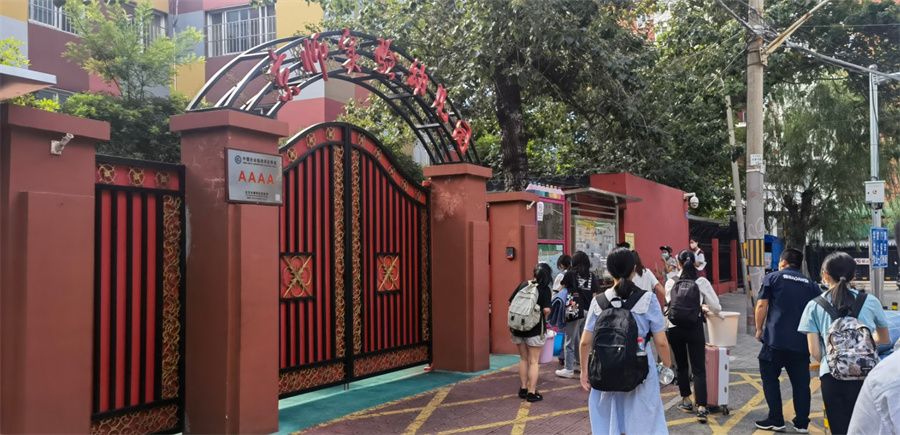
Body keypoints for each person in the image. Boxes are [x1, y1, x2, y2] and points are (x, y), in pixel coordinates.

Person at [579, 247, 674, 434]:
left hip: (606, 370)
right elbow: (661, 342)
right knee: (644, 423)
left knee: (609, 422)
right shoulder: (647, 299)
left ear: (609, 271)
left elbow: (584, 342)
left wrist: (584, 372)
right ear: (633, 270)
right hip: (640, 371)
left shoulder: (598, 302)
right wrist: (666, 366)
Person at [798, 251, 890, 435]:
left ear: (825, 275)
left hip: (832, 376)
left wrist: (836, 358)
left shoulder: (814, 305)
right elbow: (884, 339)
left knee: (839, 429)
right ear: (853, 275)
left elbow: (814, 351)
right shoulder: (870, 301)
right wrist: (862, 344)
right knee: (867, 429)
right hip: (867, 374)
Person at [753, 248, 821, 433]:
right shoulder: (811, 285)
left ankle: (776, 419)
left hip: (774, 341)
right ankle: (802, 423)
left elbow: (761, 305)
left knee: (770, 379)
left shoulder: (773, 278)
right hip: (801, 343)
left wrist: (759, 329)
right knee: (801, 384)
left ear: (782, 262)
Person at [665, 250, 722, 423]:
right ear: (695, 262)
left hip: (674, 328)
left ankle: (686, 400)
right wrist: (703, 306)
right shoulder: (701, 281)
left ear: (679, 263)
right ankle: (702, 407)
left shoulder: (671, 281)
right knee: (698, 368)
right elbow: (717, 307)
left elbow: (670, 305)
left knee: (681, 365)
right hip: (694, 327)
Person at [509, 263, 553, 402]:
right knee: (534, 361)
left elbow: (511, 302)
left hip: (518, 328)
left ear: (534, 273)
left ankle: (523, 388)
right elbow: (546, 310)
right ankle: (531, 392)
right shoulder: (545, 289)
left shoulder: (524, 285)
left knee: (523, 359)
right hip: (535, 330)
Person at [556, 251, 597, 379]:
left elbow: (560, 289)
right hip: (588, 311)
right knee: (583, 340)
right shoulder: (592, 276)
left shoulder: (570, 274)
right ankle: (582, 365)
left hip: (573, 309)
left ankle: (568, 369)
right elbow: (595, 296)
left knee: (570, 340)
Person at [847, 339, 900, 435]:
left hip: (834, 372)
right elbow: (884, 339)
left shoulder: (883, 375)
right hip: (867, 368)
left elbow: (817, 353)